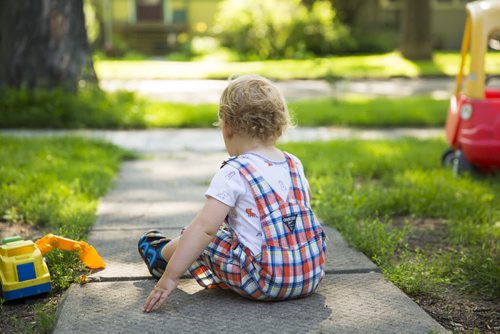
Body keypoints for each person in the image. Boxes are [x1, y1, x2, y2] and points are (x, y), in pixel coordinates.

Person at [139, 74, 327, 313]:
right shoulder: (293, 163)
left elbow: (205, 229)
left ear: (227, 128)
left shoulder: (234, 172)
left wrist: (170, 279)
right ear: (279, 127)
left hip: (266, 281)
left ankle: (160, 259)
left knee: (201, 234)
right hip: (310, 273)